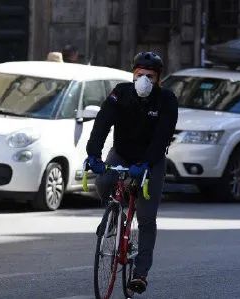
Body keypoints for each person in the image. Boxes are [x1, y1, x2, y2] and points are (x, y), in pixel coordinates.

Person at [85, 52, 178, 294]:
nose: (144, 80)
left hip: (151, 161)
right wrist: (93, 154)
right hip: (122, 153)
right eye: (139, 75)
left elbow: (162, 137)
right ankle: (114, 216)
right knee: (104, 182)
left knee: (146, 218)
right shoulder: (121, 93)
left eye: (150, 76)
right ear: (132, 76)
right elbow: (102, 123)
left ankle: (140, 273)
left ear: (158, 80)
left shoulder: (166, 100)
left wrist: (147, 162)